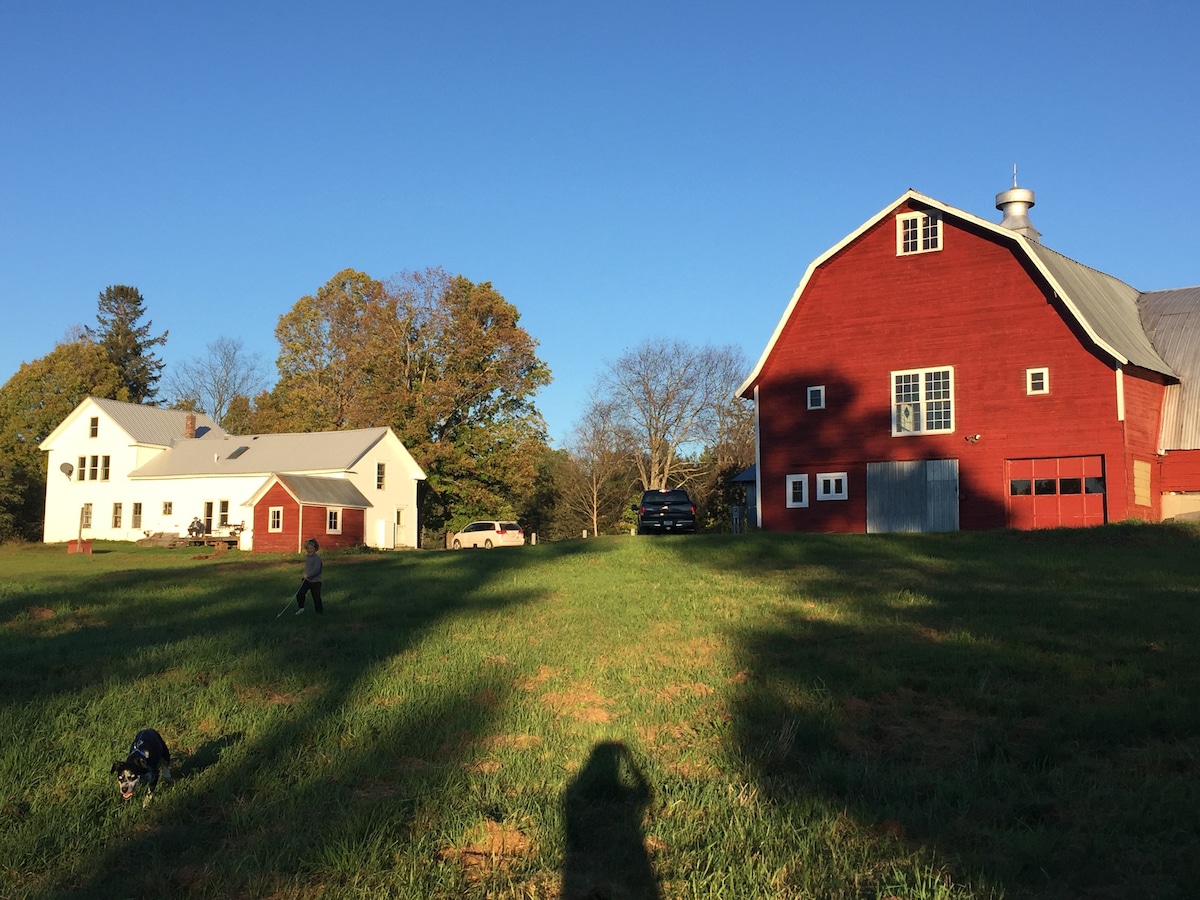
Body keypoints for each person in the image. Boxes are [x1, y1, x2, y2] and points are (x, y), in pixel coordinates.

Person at [295, 538, 323, 615]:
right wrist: (304, 575)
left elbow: (317, 570)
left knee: (316, 597)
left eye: (312, 548)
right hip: (306, 580)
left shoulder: (317, 558)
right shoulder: (307, 557)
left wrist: (308, 575)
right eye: (308, 548)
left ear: (315, 549)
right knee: (300, 594)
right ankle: (301, 608)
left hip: (316, 581)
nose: (310, 550)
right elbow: (307, 567)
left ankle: (319, 612)